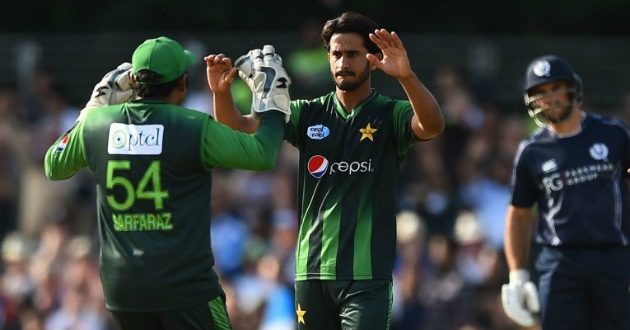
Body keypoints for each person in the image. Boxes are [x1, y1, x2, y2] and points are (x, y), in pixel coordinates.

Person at [207, 11, 444, 330]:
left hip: (367, 275)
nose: (343, 62)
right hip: (310, 271)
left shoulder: (389, 113)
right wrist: (221, 93)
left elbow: (432, 125)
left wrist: (405, 76)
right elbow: (238, 125)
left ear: (372, 60)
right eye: (336, 54)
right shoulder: (308, 112)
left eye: (353, 54)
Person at [43, 36, 291, 330]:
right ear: (183, 82)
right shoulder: (192, 127)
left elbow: (53, 165)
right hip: (186, 289)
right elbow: (262, 155)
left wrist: (91, 109)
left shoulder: (97, 126)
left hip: (123, 290)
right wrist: (272, 102)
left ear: (134, 81)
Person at [501, 54, 630, 330]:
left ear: (573, 88)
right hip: (560, 262)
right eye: (542, 92)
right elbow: (519, 214)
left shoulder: (614, 134)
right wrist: (518, 275)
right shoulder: (531, 151)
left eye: (557, 88)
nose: (551, 98)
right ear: (532, 100)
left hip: (614, 255)